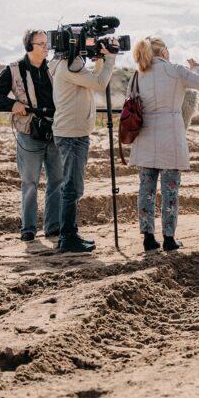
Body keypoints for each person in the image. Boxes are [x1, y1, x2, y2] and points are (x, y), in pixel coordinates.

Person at [130, 37, 199, 251]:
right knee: (170, 190)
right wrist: (197, 68)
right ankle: (169, 238)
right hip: (170, 137)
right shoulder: (175, 70)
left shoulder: (139, 73)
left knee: (145, 189)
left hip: (145, 135)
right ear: (164, 52)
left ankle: (148, 237)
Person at [0, 29, 62, 242]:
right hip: (28, 133)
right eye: (42, 44)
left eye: (47, 43)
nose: (47, 48)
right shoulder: (13, 69)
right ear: (29, 46)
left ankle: (53, 228)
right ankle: (28, 229)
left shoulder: (55, 68)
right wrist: (13, 104)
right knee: (30, 182)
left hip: (57, 131)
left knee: (57, 181)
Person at [51, 44, 117, 253]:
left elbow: (89, 82)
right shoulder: (71, 65)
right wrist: (111, 59)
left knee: (71, 186)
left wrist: (99, 64)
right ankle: (67, 237)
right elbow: (99, 84)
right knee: (72, 187)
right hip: (72, 134)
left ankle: (68, 234)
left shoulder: (68, 64)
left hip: (73, 132)